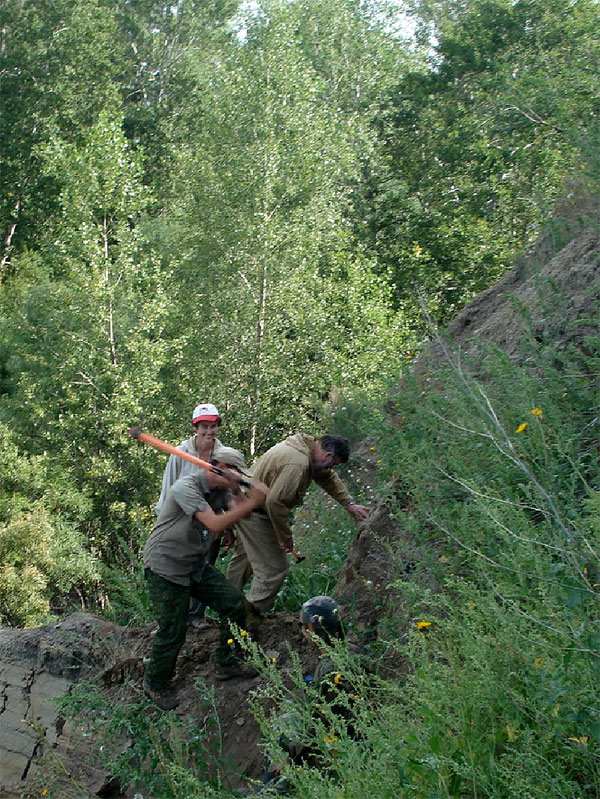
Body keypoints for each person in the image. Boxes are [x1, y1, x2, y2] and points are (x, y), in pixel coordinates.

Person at [142, 450, 269, 710]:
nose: (240, 477)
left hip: (193, 564)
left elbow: (240, 514)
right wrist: (253, 501)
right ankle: (155, 684)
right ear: (220, 467)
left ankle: (226, 663)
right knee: (173, 631)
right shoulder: (185, 487)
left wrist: (240, 493)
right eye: (237, 472)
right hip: (165, 565)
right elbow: (213, 523)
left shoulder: (222, 490)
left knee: (234, 605)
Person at [226, 434, 369, 614]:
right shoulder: (298, 463)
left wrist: (349, 503)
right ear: (329, 456)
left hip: (246, 503)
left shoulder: (305, 449)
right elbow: (275, 503)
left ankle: (227, 606)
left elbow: (327, 477)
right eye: (335, 464)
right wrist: (285, 537)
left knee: (245, 558)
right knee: (274, 570)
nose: (333, 468)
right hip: (254, 512)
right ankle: (245, 618)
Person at [250, 596, 359, 795]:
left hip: (342, 746)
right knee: (291, 713)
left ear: (310, 630)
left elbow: (323, 724)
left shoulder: (330, 669)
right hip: (350, 731)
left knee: (284, 732)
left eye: (302, 625)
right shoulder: (351, 653)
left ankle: (271, 790)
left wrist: (290, 751)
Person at [156, 402, 227, 629]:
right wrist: (162, 525)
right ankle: (170, 619)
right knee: (175, 570)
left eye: (212, 426)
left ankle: (196, 616)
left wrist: (228, 526)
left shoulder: (224, 456)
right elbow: (168, 490)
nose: (208, 431)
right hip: (181, 523)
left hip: (212, 522)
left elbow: (230, 492)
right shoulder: (180, 454)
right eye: (203, 426)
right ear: (195, 427)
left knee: (203, 568)